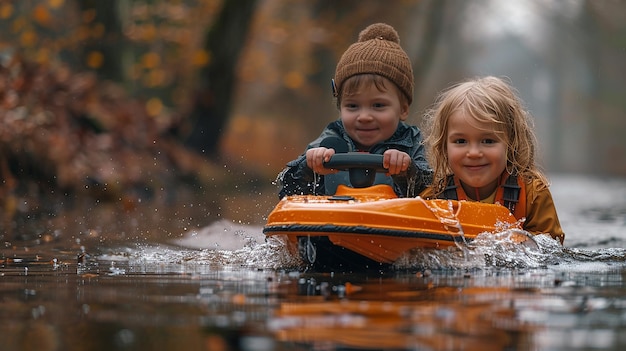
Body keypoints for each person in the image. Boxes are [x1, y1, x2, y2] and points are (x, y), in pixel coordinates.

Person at [277, 23, 431, 198]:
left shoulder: (413, 143)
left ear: (403, 109)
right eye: (352, 106)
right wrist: (307, 167)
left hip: (394, 220)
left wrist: (408, 172)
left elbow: (434, 190)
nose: (364, 117)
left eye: (378, 105)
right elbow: (286, 190)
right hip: (332, 222)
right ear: (340, 106)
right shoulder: (331, 139)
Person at [419, 76, 565, 244]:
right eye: (460, 141)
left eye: (488, 141)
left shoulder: (533, 194)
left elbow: (552, 247)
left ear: (510, 144)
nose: (473, 153)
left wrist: (519, 243)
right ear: (444, 147)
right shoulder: (433, 199)